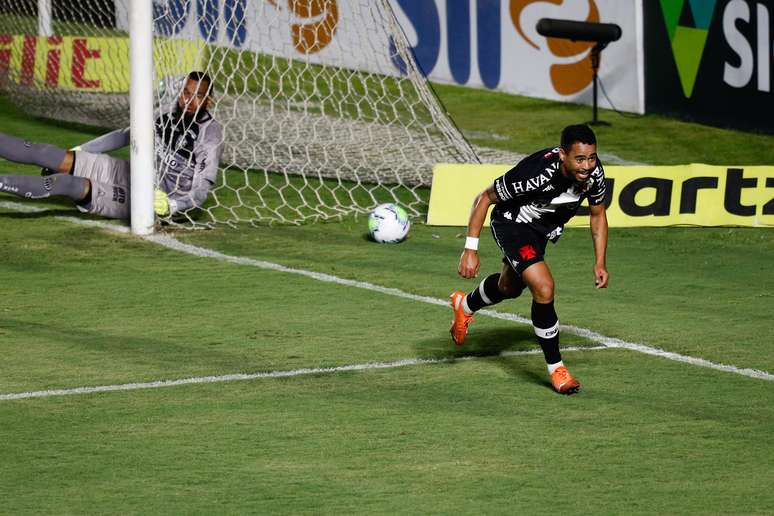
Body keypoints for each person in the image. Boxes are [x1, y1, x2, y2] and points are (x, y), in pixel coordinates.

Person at [449, 124, 609, 395]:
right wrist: (470, 249)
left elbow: (598, 215)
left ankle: (464, 306)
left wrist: (600, 262)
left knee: (508, 288)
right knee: (544, 287)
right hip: (512, 224)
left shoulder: (594, 175)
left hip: (540, 231)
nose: (587, 165)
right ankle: (557, 369)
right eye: (579, 159)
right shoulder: (536, 173)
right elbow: (485, 198)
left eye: (591, 158)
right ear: (562, 155)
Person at [0, 71, 224, 220]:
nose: (188, 100)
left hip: (156, 199)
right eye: (186, 93)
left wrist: (173, 205)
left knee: (68, 183)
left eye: (198, 96)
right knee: (48, 153)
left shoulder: (209, 134)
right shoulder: (166, 112)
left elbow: (202, 188)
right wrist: (82, 150)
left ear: (208, 100)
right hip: (134, 172)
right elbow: (127, 135)